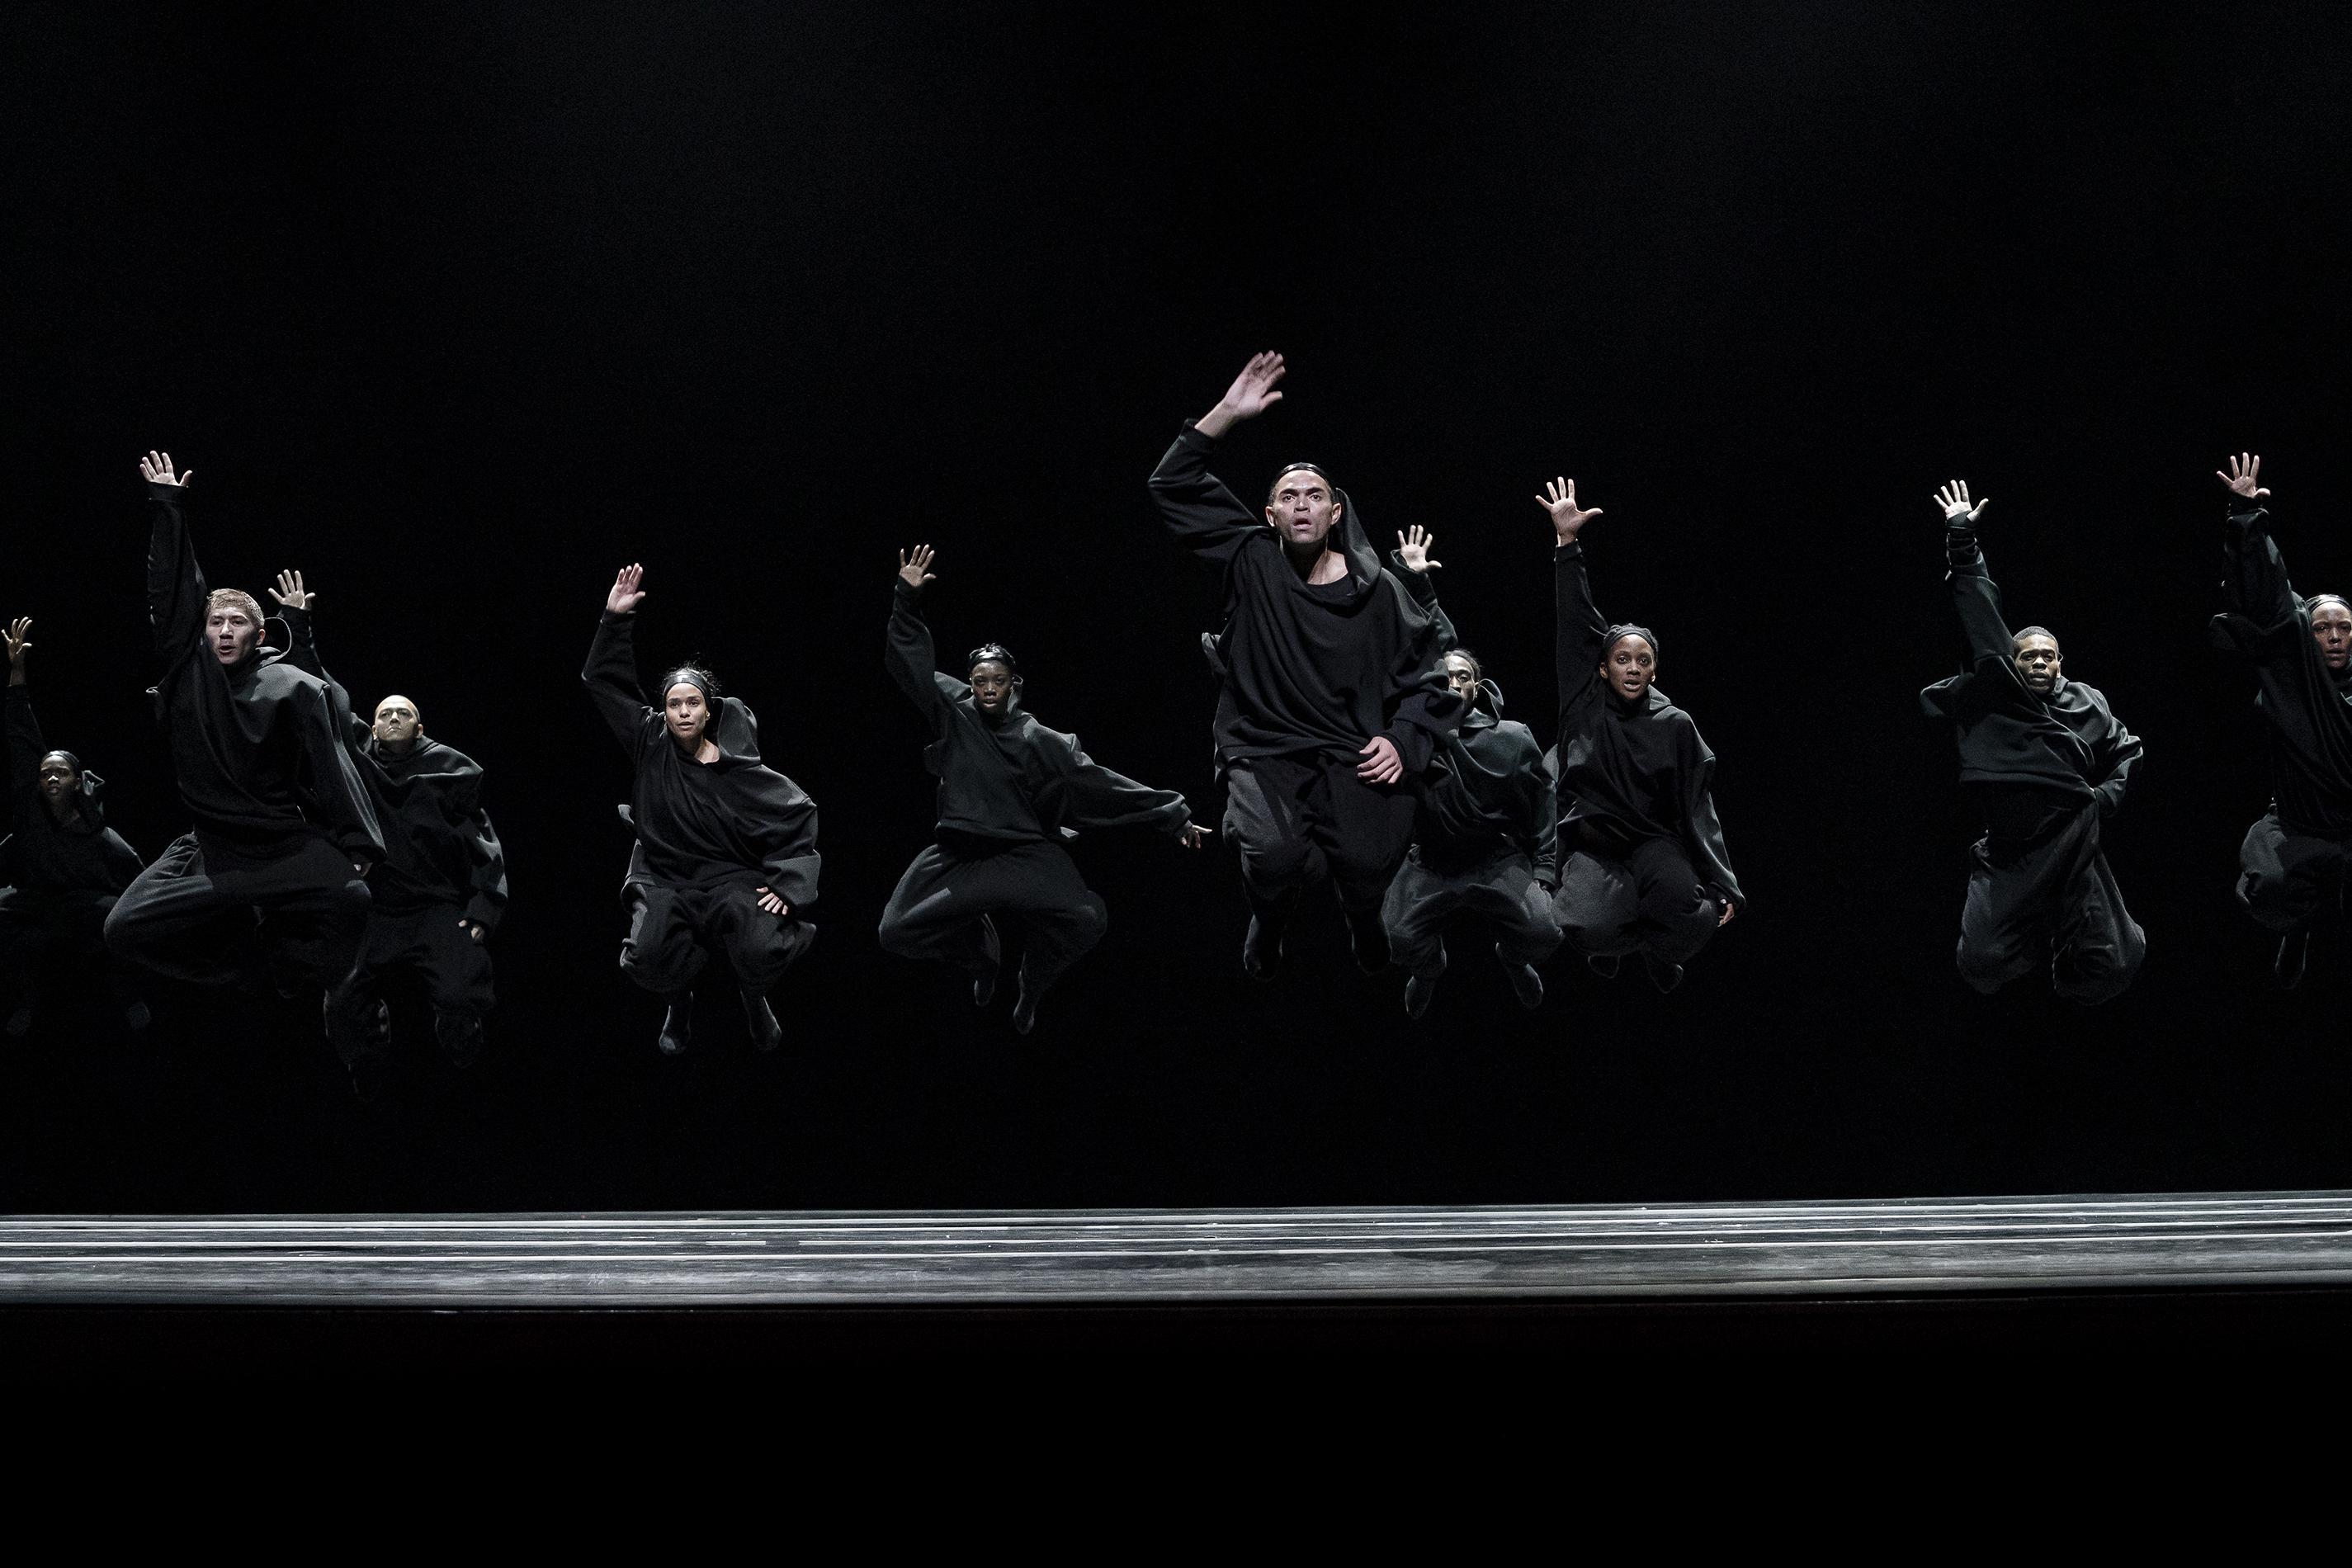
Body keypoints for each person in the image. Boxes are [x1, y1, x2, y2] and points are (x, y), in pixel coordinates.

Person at [1147, 352, 1461, 979]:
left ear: (1335, 512)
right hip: (1266, 745)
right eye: (1287, 497)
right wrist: (1228, 415)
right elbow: (1171, 483)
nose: (1300, 506)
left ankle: (1363, 916)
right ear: (1270, 516)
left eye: (1314, 495)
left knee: (1371, 861)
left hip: (1352, 749)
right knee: (1273, 855)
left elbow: (1436, 674)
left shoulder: (1378, 592)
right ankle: (1270, 920)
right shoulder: (1252, 559)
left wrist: (1403, 739)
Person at [880, 546, 1207, 1033]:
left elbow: (1099, 781)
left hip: (1024, 854)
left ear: (1014, 685)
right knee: (896, 929)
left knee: (1085, 917)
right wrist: (906, 600)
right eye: (979, 681)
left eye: (998, 681)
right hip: (960, 852)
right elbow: (912, 668)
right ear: (970, 684)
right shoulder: (955, 709)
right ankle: (981, 957)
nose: (988, 688)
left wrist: (1171, 813)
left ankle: (1032, 983)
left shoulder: (1039, 738)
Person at [102, 453, 382, 1023]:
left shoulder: (291, 686)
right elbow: (173, 595)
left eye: (237, 624)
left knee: (352, 899)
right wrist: (167, 509)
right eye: (215, 621)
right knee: (124, 928)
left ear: (258, 636)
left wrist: (357, 844)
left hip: (280, 845)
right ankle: (246, 971)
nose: (224, 630)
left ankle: (294, 976)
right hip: (211, 849)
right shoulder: (191, 677)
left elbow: (333, 763)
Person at [265, 572, 508, 1071]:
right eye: (383, 714)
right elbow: (322, 692)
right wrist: (298, 626)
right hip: (373, 907)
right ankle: (368, 1059)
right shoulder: (357, 757)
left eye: (403, 714)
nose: (392, 718)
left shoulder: (450, 771)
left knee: (464, 990)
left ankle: (458, 1032)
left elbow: (484, 841)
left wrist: (484, 907)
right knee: (343, 1004)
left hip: (432, 905)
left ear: (420, 727)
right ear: (371, 726)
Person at [1921, 479, 2143, 1003]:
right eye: (2028, 656)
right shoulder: (1999, 699)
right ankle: (2027, 947)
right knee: (1980, 963)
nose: (2039, 662)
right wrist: (1962, 540)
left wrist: (2102, 798)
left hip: (2071, 838)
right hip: (2012, 847)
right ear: (2012, 665)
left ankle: (2067, 961)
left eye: (2049, 656)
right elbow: (1979, 613)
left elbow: (2128, 750)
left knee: (2118, 961)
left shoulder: (2085, 703)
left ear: (2061, 664)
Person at [583, 563, 819, 1055]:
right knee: (644, 957)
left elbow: (797, 814)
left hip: (729, 876)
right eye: (673, 703)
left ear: (709, 710)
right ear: (664, 711)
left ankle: (755, 1000)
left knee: (763, 945)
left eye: (692, 703)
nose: (683, 711)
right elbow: (605, 684)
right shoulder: (651, 742)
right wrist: (614, 620)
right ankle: (679, 1002)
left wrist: (790, 881)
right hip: (665, 874)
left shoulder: (739, 768)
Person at [1541, 475, 1742, 992]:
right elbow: (1575, 624)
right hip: (1596, 841)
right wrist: (1568, 545)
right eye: (1621, 659)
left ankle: (1655, 951)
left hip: (1654, 842)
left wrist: (1722, 882)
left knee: (1694, 915)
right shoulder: (1582, 706)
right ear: (1603, 668)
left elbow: (1698, 805)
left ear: (1655, 669)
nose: (1632, 668)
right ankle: (1614, 943)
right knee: (1581, 926)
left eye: (1642, 660)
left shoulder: (1674, 724)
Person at [1375, 531, 1563, 1018]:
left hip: (1495, 857)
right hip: (1432, 861)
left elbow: (1544, 804)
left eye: (1464, 676)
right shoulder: (1412, 733)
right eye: (1446, 674)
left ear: (1477, 688)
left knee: (1545, 932)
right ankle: (1429, 968)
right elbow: (1434, 639)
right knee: (1393, 939)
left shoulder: (1512, 738)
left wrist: (1542, 871)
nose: (1454, 681)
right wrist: (1414, 579)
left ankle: (1512, 957)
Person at [2209, 454, 2352, 986]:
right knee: (2267, 887)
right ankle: (2297, 926)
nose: (2334, 636)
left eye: (2344, 628)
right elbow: (2269, 595)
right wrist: (2246, 517)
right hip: (2297, 822)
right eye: (2322, 627)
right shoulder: (2297, 676)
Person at [2, 616, 148, 1037]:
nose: (49, 777)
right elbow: (22, 735)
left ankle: (132, 999)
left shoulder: (97, 831)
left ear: (76, 780)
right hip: (38, 899)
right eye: (45, 772)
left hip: (88, 902)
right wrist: (16, 671)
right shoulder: (30, 817)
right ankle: (22, 1008)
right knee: (22, 944)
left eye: (59, 773)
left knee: (121, 926)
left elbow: (135, 873)